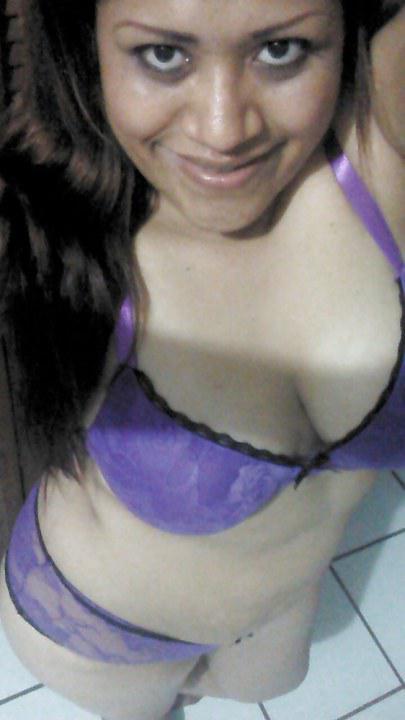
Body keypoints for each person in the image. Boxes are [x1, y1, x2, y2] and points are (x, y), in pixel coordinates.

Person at [0, 1, 404, 719]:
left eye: (281, 49)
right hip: (99, 629)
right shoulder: (62, 220)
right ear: (88, 44)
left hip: (283, 600)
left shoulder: (376, 151)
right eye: (163, 55)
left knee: (271, 686)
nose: (224, 131)